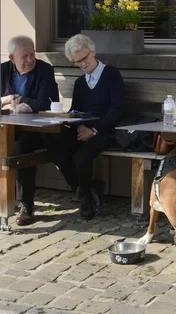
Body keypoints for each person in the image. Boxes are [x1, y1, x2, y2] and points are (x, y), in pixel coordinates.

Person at [0, 35, 59, 226]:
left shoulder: (44, 70)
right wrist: (7, 99)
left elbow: (46, 101)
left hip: (36, 129)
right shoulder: (3, 69)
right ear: (12, 58)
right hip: (10, 126)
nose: (30, 60)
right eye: (25, 56)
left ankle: (26, 205)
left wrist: (21, 100)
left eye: (32, 54)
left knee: (23, 149)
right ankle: (1, 197)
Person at [46, 34, 125, 221]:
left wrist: (94, 130)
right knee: (55, 147)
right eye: (78, 62)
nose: (83, 64)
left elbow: (117, 109)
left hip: (105, 129)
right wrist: (79, 124)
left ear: (93, 52)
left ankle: (85, 201)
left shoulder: (112, 75)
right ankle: (87, 192)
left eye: (85, 58)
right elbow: (76, 109)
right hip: (83, 129)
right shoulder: (80, 83)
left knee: (81, 157)